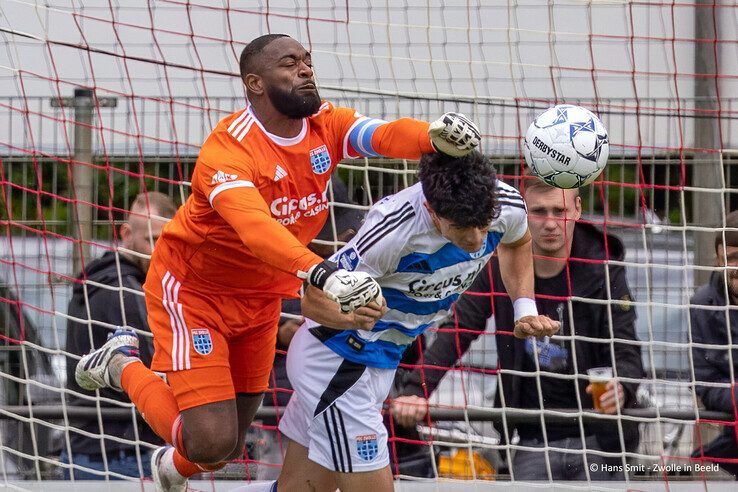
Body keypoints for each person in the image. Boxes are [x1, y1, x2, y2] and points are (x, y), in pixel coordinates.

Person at [74, 33, 481, 492]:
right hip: (194, 295)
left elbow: (383, 136)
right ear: (255, 83)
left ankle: (174, 467)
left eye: (307, 60)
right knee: (212, 442)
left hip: (262, 300)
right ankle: (123, 362)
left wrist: (430, 135)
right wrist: (322, 272)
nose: (306, 69)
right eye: (290, 64)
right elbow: (257, 231)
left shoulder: (325, 124)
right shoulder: (227, 150)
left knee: (229, 445)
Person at [241, 151, 559, 492]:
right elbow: (311, 300)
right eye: (466, 229)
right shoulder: (391, 228)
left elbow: (517, 241)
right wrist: (350, 314)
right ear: (434, 214)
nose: (479, 239)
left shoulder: (505, 203)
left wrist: (524, 307)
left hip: (380, 362)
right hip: (335, 365)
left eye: (485, 224)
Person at [393, 176, 644, 481]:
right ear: (524, 211)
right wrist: (415, 390)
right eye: (539, 211)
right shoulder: (500, 262)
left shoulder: (604, 267)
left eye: (559, 211)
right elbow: (459, 328)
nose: (550, 223)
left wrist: (622, 386)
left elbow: (627, 346)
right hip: (531, 437)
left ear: (577, 209)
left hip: (601, 438)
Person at [64, 191, 176, 479]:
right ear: (126, 234)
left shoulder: (92, 281)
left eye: (168, 241)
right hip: (120, 454)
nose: (159, 250)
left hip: (82, 450)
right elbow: (159, 371)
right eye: (151, 240)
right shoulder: (124, 290)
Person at [690, 209, 738, 477]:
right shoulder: (702, 306)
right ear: (717, 261)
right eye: (732, 258)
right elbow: (705, 385)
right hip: (732, 438)